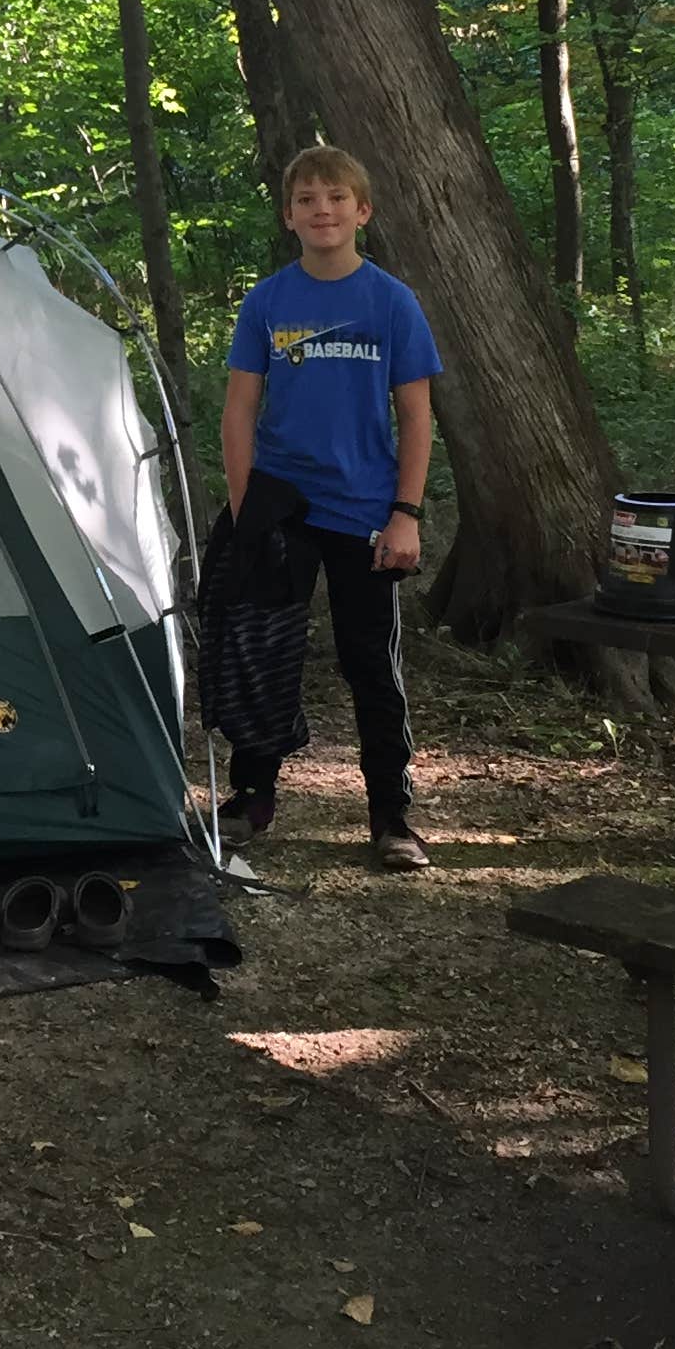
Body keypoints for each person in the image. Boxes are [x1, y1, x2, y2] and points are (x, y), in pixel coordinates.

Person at [216, 144, 441, 871]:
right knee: (262, 653)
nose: (323, 210)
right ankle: (251, 796)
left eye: (337, 198)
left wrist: (406, 512)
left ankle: (391, 815)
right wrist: (245, 510)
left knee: (370, 663)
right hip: (281, 505)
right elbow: (240, 410)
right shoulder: (268, 301)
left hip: (365, 510)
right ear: (289, 216)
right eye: (307, 199)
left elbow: (416, 416)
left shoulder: (391, 301)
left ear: (362, 211)